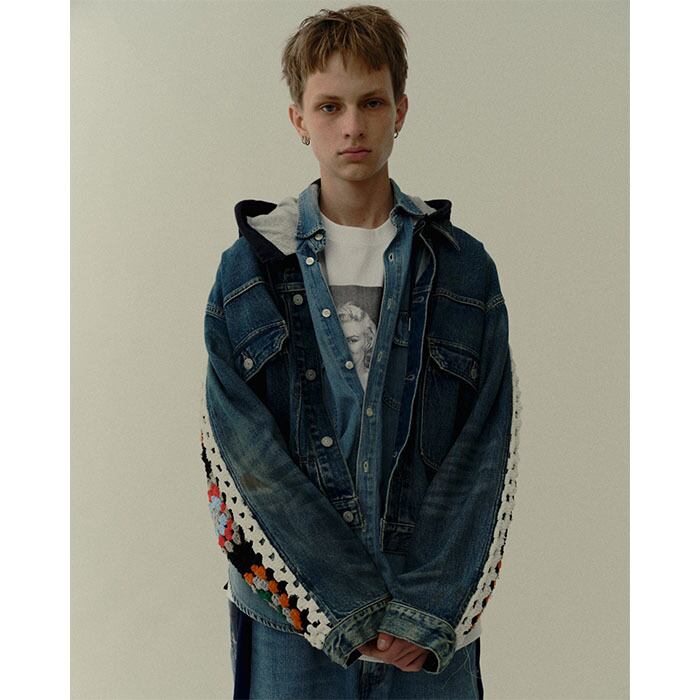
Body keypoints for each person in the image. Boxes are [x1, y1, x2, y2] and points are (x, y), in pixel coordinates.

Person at [199, 5, 522, 698]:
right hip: (290, 624)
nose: (352, 126)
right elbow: (237, 455)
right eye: (330, 106)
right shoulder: (248, 272)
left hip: (427, 626)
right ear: (299, 119)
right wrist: (341, 603)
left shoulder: (464, 270)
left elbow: (487, 451)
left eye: (371, 102)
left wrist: (425, 611)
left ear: (400, 110)